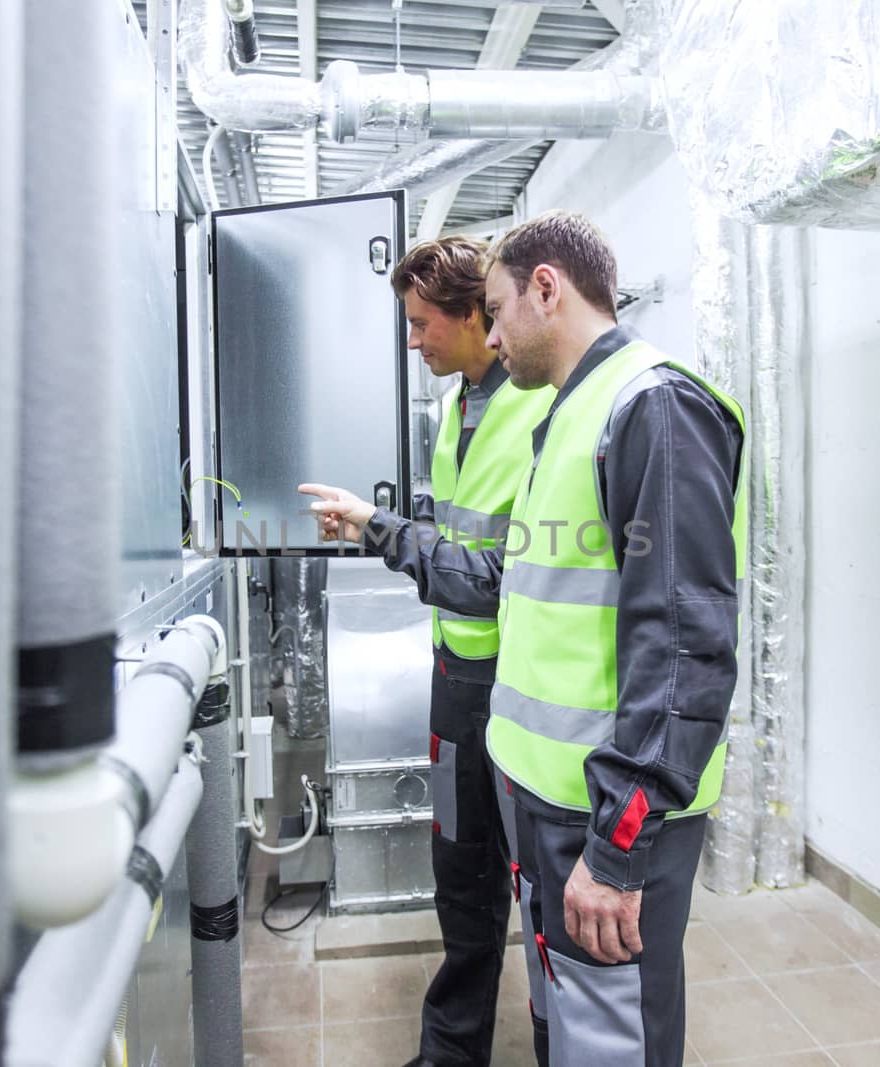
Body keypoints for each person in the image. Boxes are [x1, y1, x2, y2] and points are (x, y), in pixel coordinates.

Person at [300, 211, 745, 1067]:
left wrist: (618, 851)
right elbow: (540, 594)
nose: (495, 335)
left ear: (546, 289)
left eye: (496, 311)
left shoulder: (653, 407)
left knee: (610, 1030)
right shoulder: (568, 414)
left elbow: (685, 649)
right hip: (541, 780)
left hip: (601, 806)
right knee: (569, 1017)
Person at [385, 236, 552, 1067]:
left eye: (421, 324)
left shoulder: (536, 405)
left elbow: (495, 578)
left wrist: (386, 536)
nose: (413, 341)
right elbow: (456, 524)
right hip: (456, 685)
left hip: (516, 690)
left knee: (542, 892)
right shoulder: (460, 406)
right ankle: (451, 1055)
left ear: (472, 315)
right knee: (461, 876)